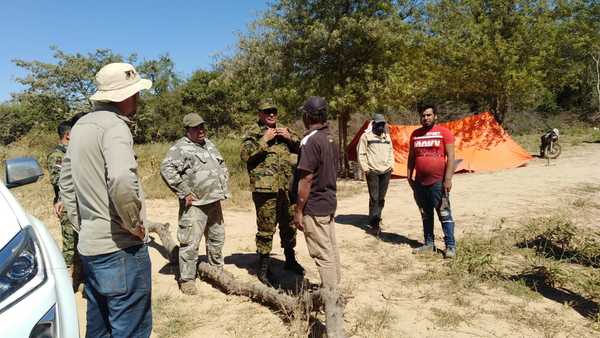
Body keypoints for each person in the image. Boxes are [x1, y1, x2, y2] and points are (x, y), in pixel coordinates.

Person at [59, 62, 153, 338]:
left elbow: (66, 181)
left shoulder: (80, 126)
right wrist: (134, 224)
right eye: (135, 93)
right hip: (120, 250)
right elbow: (122, 179)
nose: (138, 98)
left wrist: (84, 225)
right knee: (130, 329)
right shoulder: (115, 127)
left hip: (90, 247)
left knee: (98, 328)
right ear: (124, 96)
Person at [160, 113, 229, 296]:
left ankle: (217, 271)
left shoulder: (209, 144)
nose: (201, 130)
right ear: (188, 130)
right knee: (190, 243)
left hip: (214, 201)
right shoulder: (180, 148)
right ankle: (187, 279)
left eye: (202, 127)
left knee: (217, 239)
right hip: (195, 205)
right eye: (196, 128)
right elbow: (166, 168)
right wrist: (183, 191)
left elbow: (221, 166)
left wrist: (223, 182)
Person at [293, 96, 343, 337]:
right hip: (330, 202)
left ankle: (333, 305)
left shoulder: (310, 141)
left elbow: (306, 178)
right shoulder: (331, 138)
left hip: (315, 205)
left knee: (323, 256)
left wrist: (298, 210)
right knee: (331, 250)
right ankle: (336, 290)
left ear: (308, 116)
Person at [240, 98, 304, 286]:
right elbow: (245, 155)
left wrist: (290, 138)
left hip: (287, 187)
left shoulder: (284, 129)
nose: (271, 114)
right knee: (266, 230)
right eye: (267, 111)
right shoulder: (253, 132)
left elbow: (303, 148)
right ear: (260, 113)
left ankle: (290, 260)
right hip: (265, 190)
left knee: (289, 225)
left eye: (273, 111)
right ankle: (264, 268)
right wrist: (264, 140)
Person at [407, 105, 457, 258]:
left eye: (429, 115)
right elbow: (411, 157)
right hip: (420, 184)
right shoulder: (415, 134)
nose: (426, 118)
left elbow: (451, 157)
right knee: (426, 215)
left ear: (435, 116)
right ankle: (429, 244)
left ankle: (450, 246)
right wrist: (409, 177)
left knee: (444, 214)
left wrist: (448, 179)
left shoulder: (444, 133)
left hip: (438, 183)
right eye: (423, 115)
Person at [357, 113, 394, 234]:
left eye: (383, 124)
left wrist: (391, 166)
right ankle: (374, 223)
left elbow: (391, 152)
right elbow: (361, 153)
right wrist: (366, 169)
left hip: (386, 171)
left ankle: (377, 217)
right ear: (373, 124)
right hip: (372, 171)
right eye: (378, 124)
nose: (381, 126)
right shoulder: (366, 136)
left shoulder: (387, 137)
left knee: (381, 198)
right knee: (374, 197)